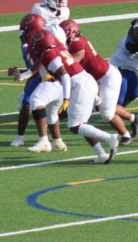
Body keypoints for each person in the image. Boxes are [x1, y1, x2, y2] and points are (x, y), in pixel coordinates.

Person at [26, 30, 118, 164]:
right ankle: (101, 154)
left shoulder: (48, 54)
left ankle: (109, 137)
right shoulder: (58, 49)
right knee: (82, 124)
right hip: (87, 81)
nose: (33, 46)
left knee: (75, 126)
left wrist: (66, 98)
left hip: (80, 86)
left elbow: (65, 77)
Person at [60, 19, 138, 146]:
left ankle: (126, 135)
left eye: (64, 34)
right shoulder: (75, 42)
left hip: (107, 78)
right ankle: (133, 118)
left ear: (73, 32)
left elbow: (71, 66)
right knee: (104, 106)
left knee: (107, 113)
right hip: (97, 78)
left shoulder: (77, 44)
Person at [9, 13, 67, 153]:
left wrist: (22, 75)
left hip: (50, 77)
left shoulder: (42, 40)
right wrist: (21, 72)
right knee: (44, 109)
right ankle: (56, 141)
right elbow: (36, 65)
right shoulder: (35, 39)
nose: (22, 33)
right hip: (48, 75)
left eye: (25, 29)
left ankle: (44, 140)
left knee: (32, 102)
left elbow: (41, 63)